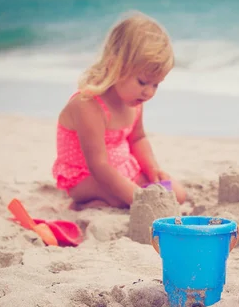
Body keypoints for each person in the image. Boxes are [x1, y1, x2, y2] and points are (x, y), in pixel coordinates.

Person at [52, 11, 187, 208]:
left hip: (123, 168)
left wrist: (152, 168)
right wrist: (136, 196)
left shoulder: (134, 101)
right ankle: (86, 203)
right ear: (116, 65)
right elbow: (99, 166)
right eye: (143, 82)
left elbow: (138, 138)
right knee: (121, 200)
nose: (149, 92)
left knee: (176, 194)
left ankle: (126, 195)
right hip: (86, 176)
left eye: (156, 85)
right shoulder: (88, 106)